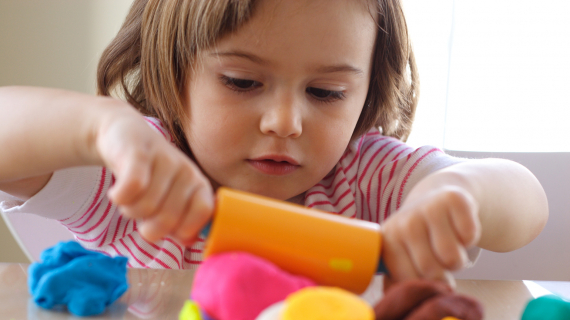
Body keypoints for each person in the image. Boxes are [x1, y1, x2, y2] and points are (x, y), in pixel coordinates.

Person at [0, 0, 548, 286]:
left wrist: (457, 194)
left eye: (326, 92)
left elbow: (527, 202)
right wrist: (101, 129)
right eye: (243, 82)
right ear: (174, 71)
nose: (285, 121)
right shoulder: (138, 177)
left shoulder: (367, 179)